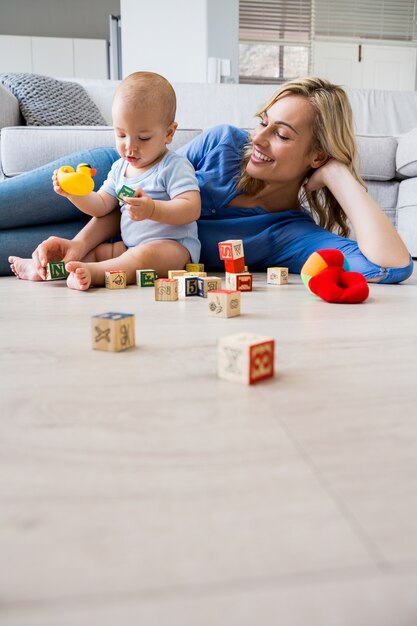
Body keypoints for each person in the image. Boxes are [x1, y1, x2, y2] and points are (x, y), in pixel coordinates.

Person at [3, 76, 413, 285]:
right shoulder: (222, 142)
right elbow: (140, 187)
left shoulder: (291, 236)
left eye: (283, 135)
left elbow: (390, 267)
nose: (259, 139)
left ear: (317, 155)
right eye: (263, 123)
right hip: (100, 184)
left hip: (118, 252)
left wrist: (339, 174)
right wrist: (79, 242)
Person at [8, 71, 201, 290]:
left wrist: (153, 209)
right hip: (129, 247)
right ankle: (42, 269)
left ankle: (96, 274)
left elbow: (191, 208)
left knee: (145, 255)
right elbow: (100, 206)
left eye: (143, 138)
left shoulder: (174, 166)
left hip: (174, 249)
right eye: (121, 135)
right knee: (96, 252)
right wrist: (74, 194)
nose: (130, 146)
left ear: (169, 133)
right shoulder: (120, 168)